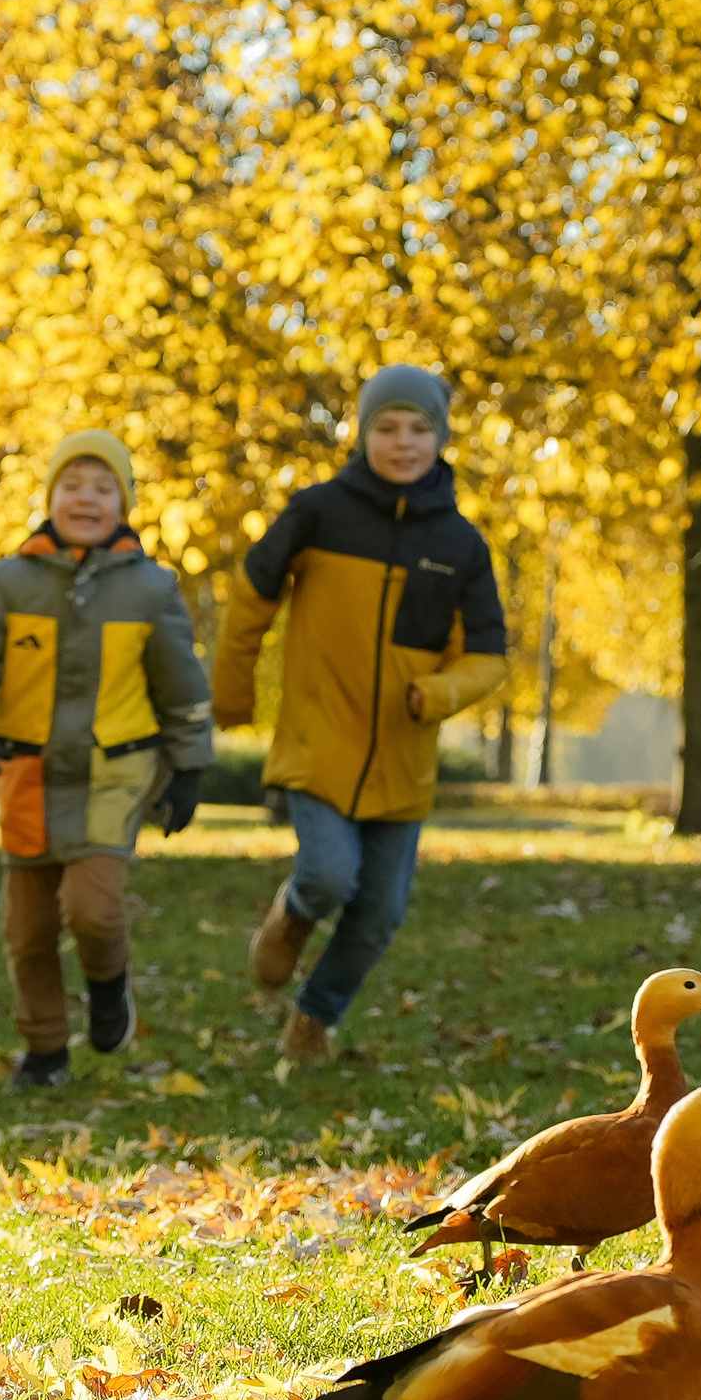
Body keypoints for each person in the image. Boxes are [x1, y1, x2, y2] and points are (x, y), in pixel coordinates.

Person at [213, 366, 507, 1060]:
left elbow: (488, 655)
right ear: (362, 434)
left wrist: (440, 693)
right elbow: (251, 596)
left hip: (404, 760)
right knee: (327, 875)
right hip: (317, 741)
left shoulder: (461, 544)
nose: (403, 442)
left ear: (439, 438)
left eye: (419, 429)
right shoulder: (317, 514)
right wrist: (232, 694)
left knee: (379, 912)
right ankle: (291, 916)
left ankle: (314, 1018)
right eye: (387, 427)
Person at [0, 431, 213, 1088]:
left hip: (112, 775)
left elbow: (181, 688)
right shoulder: (8, 582)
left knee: (93, 907)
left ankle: (109, 986)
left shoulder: (150, 590)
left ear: (124, 504)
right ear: (50, 496)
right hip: (26, 773)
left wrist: (189, 768)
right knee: (27, 930)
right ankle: (45, 1049)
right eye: (73, 485)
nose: (86, 498)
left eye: (103, 487)